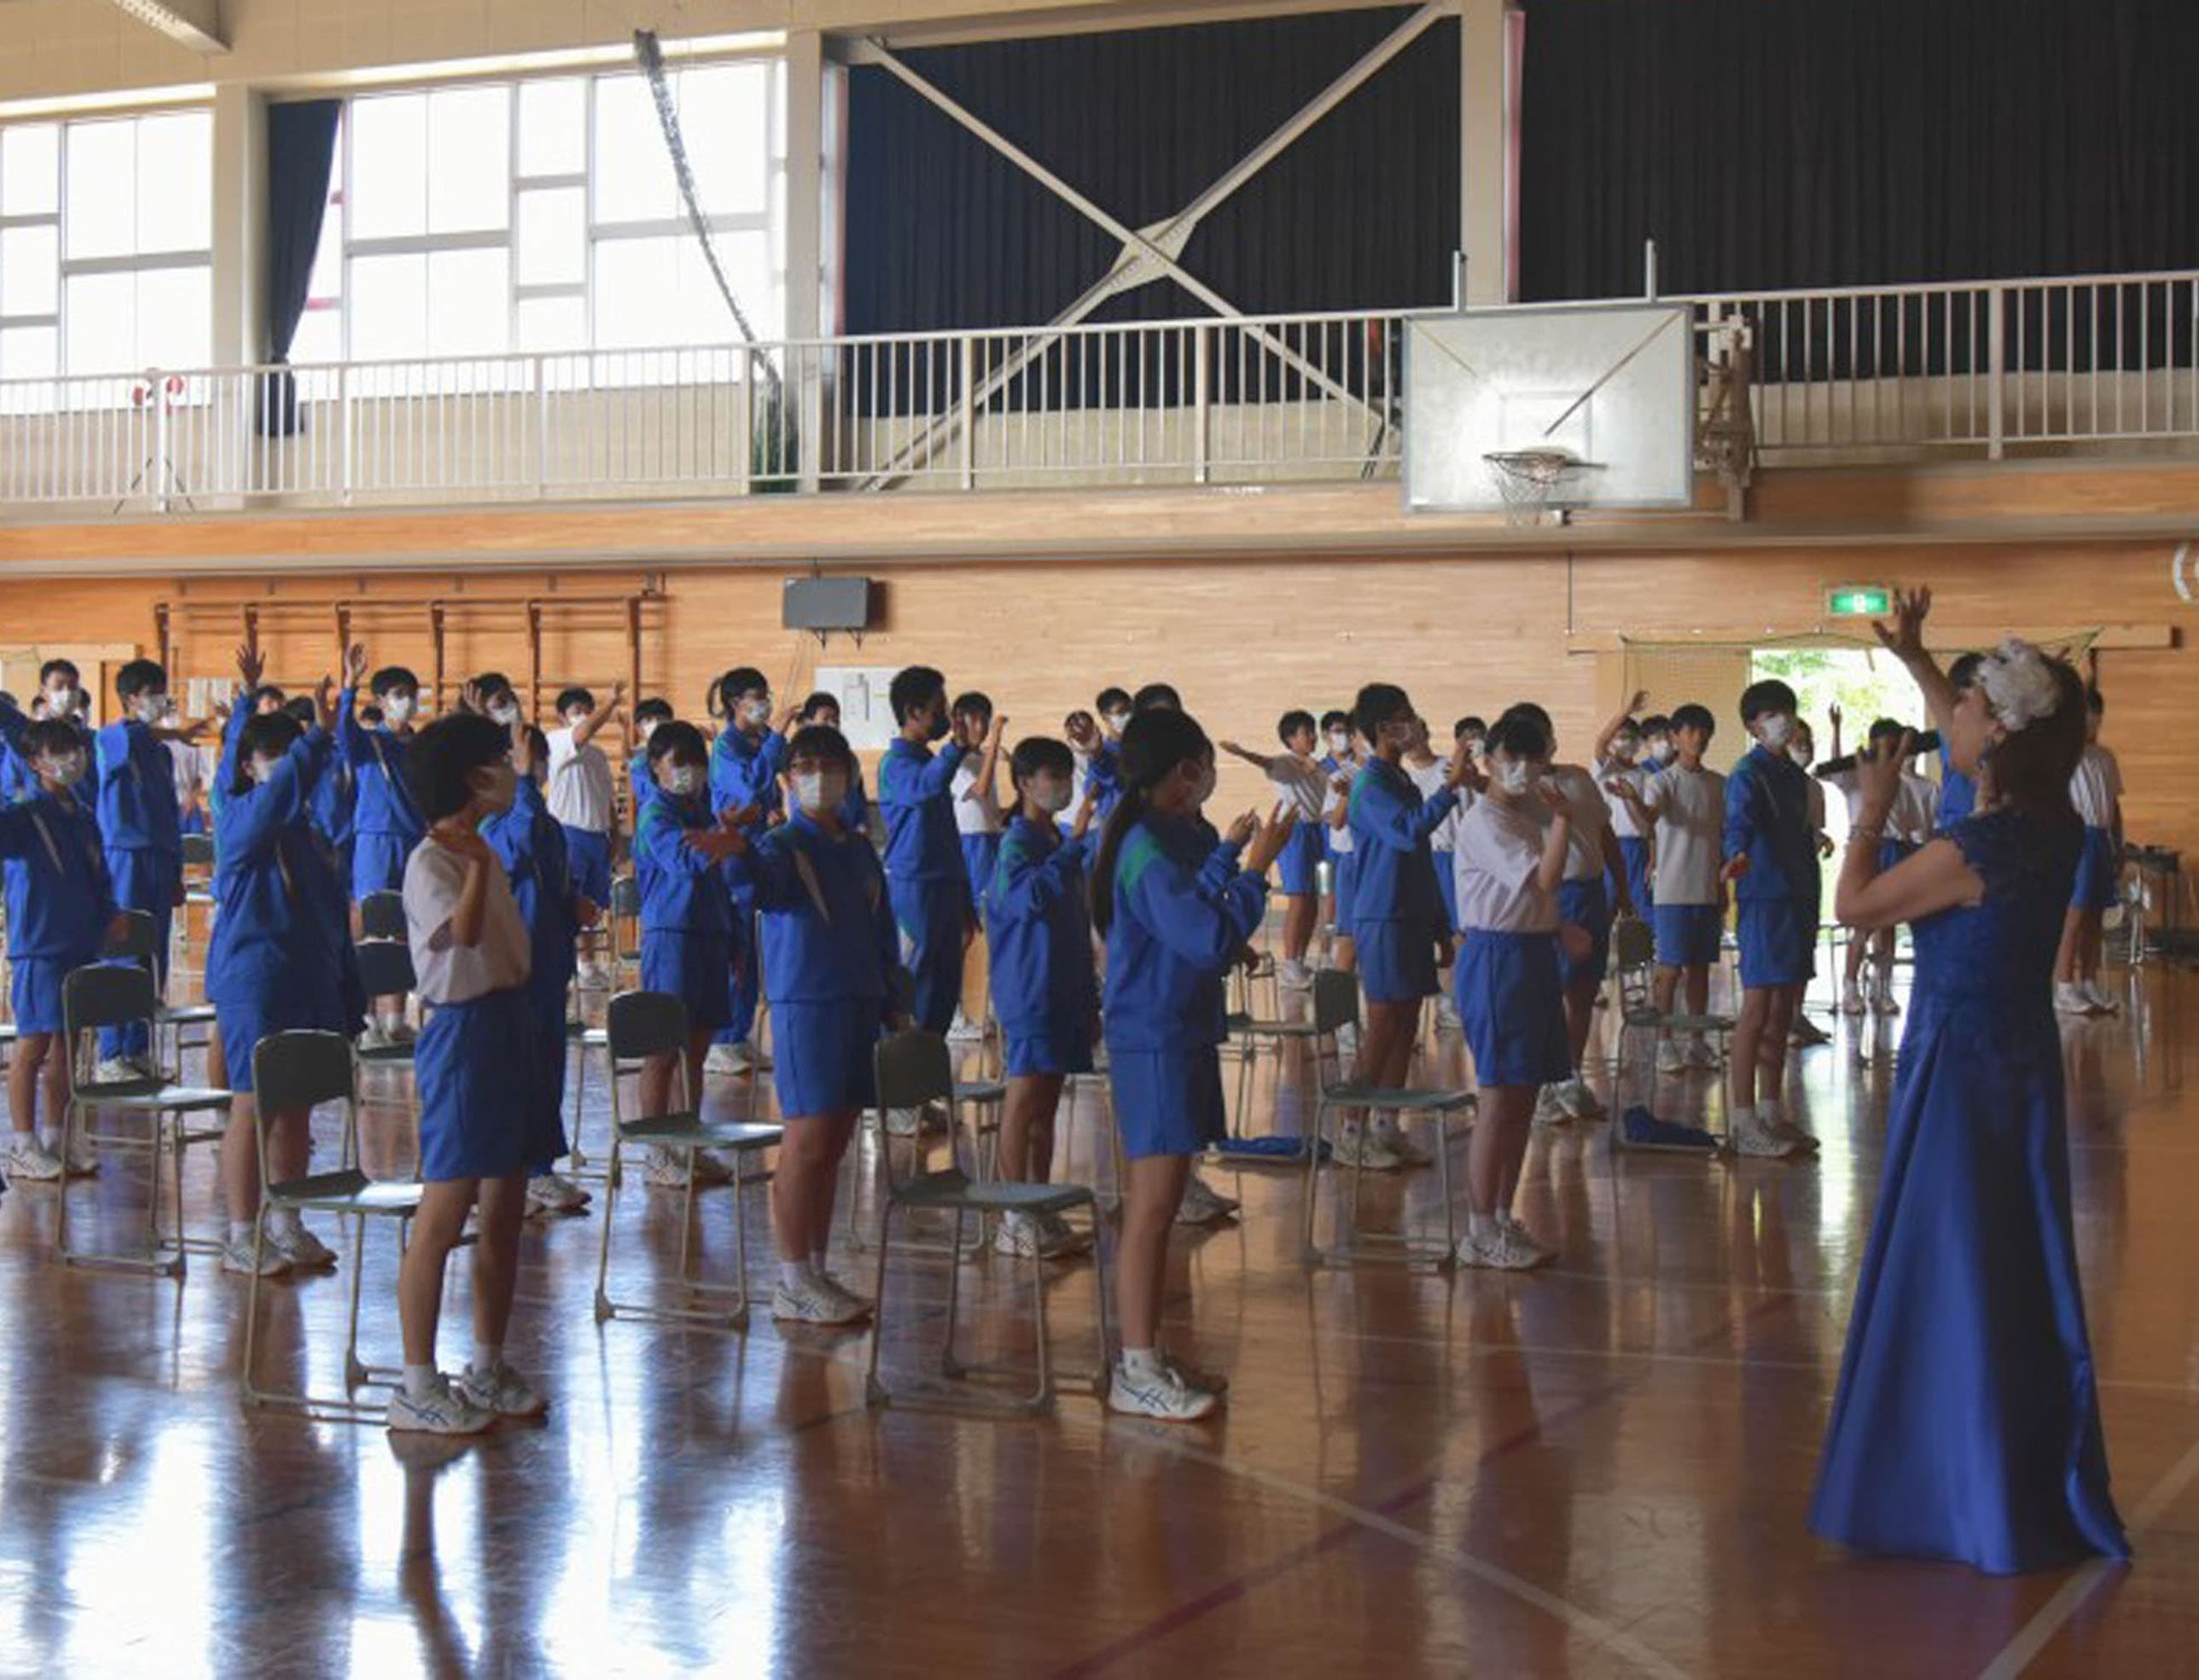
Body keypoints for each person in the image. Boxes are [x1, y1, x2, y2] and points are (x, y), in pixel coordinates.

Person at [1811, 588, 2127, 1574]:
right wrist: (1913, 657)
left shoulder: (1976, 847)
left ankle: (1951, 1490)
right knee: (2007, 1264)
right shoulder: (2049, 828)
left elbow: (1858, 906)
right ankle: (2007, 1475)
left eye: (1967, 710)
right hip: (2017, 1059)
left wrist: (1864, 812)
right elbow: (1975, 739)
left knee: (1952, 1268)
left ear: (1993, 736)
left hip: (1957, 1071)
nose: (1952, 716)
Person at [1092, 706, 1292, 1419]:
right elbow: (1201, 933)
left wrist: (1228, 859)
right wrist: (1258, 868)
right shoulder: (1141, 843)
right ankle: (1134, 1366)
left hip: (1179, 1025)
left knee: (1168, 1200)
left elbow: (1197, 911)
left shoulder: (1168, 835)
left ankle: (1149, 1353)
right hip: (1151, 1034)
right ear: (1181, 770)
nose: (1207, 775)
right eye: (1201, 762)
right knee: (1148, 1208)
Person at [390, 711, 553, 1436]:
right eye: (498, 759)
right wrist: (482, 868)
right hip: (463, 1035)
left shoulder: (482, 845)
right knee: (444, 1211)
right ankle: (417, 1382)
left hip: (511, 1025)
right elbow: (461, 936)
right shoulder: (432, 861)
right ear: (469, 776)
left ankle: (486, 1363)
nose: (510, 769)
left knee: (505, 1209)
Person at [720, 724, 910, 1326]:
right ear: (785, 779)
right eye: (804, 766)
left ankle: (817, 1267)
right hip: (809, 1004)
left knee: (834, 1143)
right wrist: (738, 846)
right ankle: (790, 1277)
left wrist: (892, 1000)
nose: (818, 776)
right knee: (805, 1142)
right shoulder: (780, 845)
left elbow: (882, 930)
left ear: (851, 775)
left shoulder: (856, 849)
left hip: (860, 1000)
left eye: (830, 765)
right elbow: (756, 887)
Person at [207, 689, 354, 1276]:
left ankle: (285, 1221)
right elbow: (274, 793)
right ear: (248, 765)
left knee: (296, 1105)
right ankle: (242, 1232)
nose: (283, 766)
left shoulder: (308, 830)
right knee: (253, 1103)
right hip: (255, 977)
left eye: (288, 754)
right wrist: (312, 738)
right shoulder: (243, 818)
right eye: (272, 755)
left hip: (308, 975)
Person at [1449, 710, 1574, 1269]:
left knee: (1523, 1098)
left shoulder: (1525, 816)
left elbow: (1537, 896)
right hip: (1497, 961)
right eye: (1509, 757)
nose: (1521, 768)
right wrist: (1566, 822)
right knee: (1498, 1097)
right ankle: (1477, 1227)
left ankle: (1501, 1214)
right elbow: (1543, 878)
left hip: (1531, 955)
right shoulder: (1485, 820)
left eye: (1532, 756)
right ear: (1488, 759)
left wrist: (1558, 926)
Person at [1341, 684, 1473, 1171]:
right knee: (1382, 1024)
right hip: (1383, 915)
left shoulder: (1398, 779)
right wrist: (1450, 787)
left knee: (1406, 1026)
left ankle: (1385, 1125)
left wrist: (1440, 925)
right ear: (1381, 729)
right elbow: (1408, 831)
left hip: (1413, 913)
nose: (1413, 725)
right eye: (1404, 718)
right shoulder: (1370, 785)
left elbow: (1419, 859)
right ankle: (1351, 1129)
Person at [982, 736, 1099, 1260]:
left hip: (1065, 987)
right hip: (1030, 988)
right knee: (1024, 1098)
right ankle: (1013, 1214)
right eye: (1050, 777)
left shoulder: (1055, 841)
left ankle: (1039, 1201)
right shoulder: (1018, 842)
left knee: (1048, 1105)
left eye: (1065, 776)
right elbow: (1024, 899)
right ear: (1025, 783)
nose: (1062, 786)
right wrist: (1074, 846)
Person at [0, 717, 125, 1183]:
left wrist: (111, 910)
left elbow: (99, 874)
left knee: (68, 1046)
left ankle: (57, 1136)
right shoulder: (23, 814)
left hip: (80, 942)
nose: (72, 758)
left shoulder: (84, 815)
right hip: (39, 946)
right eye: (58, 751)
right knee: (32, 1045)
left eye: (75, 748)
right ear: (35, 763)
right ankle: (23, 1144)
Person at [483, 716, 596, 1218]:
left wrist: (573, 907)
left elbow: (551, 882)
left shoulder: (549, 823)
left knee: (549, 1067)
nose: (536, 770)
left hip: (549, 963)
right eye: (526, 762)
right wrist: (524, 782)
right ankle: (517, 1170)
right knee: (519, 1070)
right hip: (514, 967)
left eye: (537, 761)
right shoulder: (494, 824)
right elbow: (520, 843)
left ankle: (541, 1167)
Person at [1508, 700, 1632, 1125]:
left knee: (1582, 991)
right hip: (1549, 897)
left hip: (1591, 893)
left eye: (1540, 735)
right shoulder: (1517, 793)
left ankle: (1569, 1075)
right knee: (1547, 992)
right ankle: (1543, 1082)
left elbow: (1605, 833)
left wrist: (1624, 889)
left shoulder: (1578, 778)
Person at [633, 720, 740, 1187]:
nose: (689, 773)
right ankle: (657, 1151)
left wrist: (733, 939)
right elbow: (685, 860)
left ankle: (689, 1141)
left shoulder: (703, 814)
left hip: (710, 934)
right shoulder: (655, 814)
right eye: (679, 763)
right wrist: (724, 839)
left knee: (696, 1048)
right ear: (656, 766)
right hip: (671, 936)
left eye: (697, 763)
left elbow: (721, 878)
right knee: (663, 1050)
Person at [92, 658, 205, 1080]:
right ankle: (110, 1053)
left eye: (162, 689)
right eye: (151, 691)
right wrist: (176, 731)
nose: (161, 699)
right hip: (124, 855)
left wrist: (176, 869)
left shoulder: (161, 755)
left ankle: (137, 1047)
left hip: (159, 858)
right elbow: (128, 736)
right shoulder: (111, 738)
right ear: (130, 698)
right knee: (122, 951)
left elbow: (168, 815)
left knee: (152, 954)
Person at [1721, 680, 1820, 1159]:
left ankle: (1771, 1110)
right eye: (1772, 714)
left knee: (1785, 1009)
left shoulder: (1795, 776)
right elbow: (1737, 823)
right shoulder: (1748, 773)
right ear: (1753, 725)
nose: (1784, 720)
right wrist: (1736, 854)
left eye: (1788, 711)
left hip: (1798, 896)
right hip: (1765, 899)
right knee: (1758, 1008)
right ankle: (1741, 1121)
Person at [1608, 703, 1726, 1076]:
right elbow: (1649, 818)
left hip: (1707, 888)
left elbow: (1720, 835)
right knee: (1670, 970)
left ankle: (1695, 1042)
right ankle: (1664, 1044)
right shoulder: (1662, 781)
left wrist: (1723, 883)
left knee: (1700, 970)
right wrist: (1631, 800)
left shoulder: (1718, 784)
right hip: (1673, 890)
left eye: (1704, 731)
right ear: (1675, 738)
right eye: (1690, 731)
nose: (1698, 738)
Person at [877, 666, 971, 1087]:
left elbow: (947, 835)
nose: (946, 716)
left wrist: (965, 898)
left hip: (944, 884)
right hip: (914, 887)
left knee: (944, 990)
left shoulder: (928, 760)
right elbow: (926, 788)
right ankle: (896, 1090)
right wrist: (957, 749)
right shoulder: (897, 764)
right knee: (912, 989)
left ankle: (925, 1088)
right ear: (914, 712)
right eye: (940, 709)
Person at [336, 644, 428, 1045]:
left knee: (405, 928)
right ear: (380, 701)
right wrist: (349, 687)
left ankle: (395, 1016)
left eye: (411, 693)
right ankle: (366, 1016)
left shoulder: (421, 744)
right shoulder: (370, 743)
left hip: (414, 839)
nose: (406, 702)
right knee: (373, 927)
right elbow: (342, 733)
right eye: (397, 694)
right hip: (375, 840)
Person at [706, 666, 795, 1075]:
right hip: (734, 856)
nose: (764, 702)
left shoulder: (757, 741)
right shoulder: (727, 747)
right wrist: (777, 737)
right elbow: (749, 787)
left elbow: (770, 789)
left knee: (756, 952)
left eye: (766, 693)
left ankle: (741, 1033)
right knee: (738, 951)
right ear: (735, 703)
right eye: (755, 696)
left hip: (761, 849)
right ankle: (724, 1039)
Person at [1822, 710, 1936, 1018]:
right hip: (1867, 848)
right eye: (1882, 745)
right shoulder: (1858, 776)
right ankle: (1850, 987)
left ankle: (1881, 988)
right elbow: (1834, 767)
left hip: (1897, 849)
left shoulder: (1908, 785)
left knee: (1888, 924)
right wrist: (1836, 729)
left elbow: (1916, 828)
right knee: (1862, 924)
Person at [1218, 711, 1328, 990]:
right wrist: (1242, 753)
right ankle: (1290, 963)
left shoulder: (1318, 766)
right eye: (1306, 732)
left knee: (1312, 900)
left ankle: (1300, 961)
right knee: (1299, 899)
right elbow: (1263, 761)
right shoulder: (1285, 764)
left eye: (1313, 731)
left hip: (1317, 829)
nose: (1313, 736)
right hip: (1296, 831)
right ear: (1291, 739)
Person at [544, 683, 624, 988]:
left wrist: (614, 835)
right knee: (571, 901)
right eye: (576, 712)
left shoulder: (599, 756)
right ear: (563, 717)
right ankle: (568, 960)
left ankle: (589, 963)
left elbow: (605, 798)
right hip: (569, 832)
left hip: (596, 835)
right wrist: (612, 700)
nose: (583, 717)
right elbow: (583, 733)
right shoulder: (558, 742)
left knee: (594, 902)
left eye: (586, 711)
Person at [2056, 689, 2124, 1017]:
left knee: (2096, 914)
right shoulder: (2063, 754)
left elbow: (2114, 803)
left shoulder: (2105, 757)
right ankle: (2064, 984)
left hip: (2100, 837)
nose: (2092, 724)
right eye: (2086, 717)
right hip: (2075, 836)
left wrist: (2118, 843)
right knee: (2076, 911)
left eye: (2097, 718)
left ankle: (2088, 980)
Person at [947, 690, 1009, 1041]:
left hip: (989, 842)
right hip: (968, 846)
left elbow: (991, 810)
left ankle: (996, 1008)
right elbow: (980, 790)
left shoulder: (978, 757)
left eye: (986, 720)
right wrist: (995, 743)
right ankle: (954, 1014)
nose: (982, 727)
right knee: (963, 933)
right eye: (975, 719)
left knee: (990, 928)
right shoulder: (958, 760)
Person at [1594, 692, 1656, 923]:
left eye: (1630, 737)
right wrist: (1626, 711)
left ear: (1639, 743)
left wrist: (1653, 857)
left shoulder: (1647, 776)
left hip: (1637, 847)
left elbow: (1651, 821)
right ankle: (1599, 956)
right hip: (1609, 843)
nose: (1624, 742)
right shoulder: (1606, 769)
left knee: (1643, 904)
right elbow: (1600, 743)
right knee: (1606, 905)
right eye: (1619, 737)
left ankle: (1660, 954)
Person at [796, 691, 870, 830]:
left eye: (836, 720)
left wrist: (862, 823)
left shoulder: (850, 759)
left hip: (847, 833)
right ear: (808, 722)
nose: (832, 725)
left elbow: (858, 796)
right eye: (826, 719)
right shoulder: (799, 758)